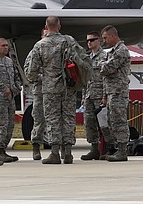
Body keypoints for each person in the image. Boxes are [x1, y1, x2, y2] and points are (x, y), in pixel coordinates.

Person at [25, 16, 89, 164]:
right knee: (68, 117)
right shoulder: (69, 41)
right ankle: (67, 153)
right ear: (59, 26)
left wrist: (44, 77)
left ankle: (54, 152)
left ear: (46, 27)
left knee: (52, 119)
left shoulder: (40, 45)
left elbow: (31, 72)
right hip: (69, 86)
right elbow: (83, 60)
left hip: (50, 89)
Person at [99, 25, 131, 162]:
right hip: (111, 92)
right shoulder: (112, 52)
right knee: (111, 121)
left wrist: (106, 67)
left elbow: (106, 67)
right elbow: (106, 71)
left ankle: (123, 151)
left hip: (119, 92)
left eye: (105, 38)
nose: (104, 41)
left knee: (119, 121)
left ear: (113, 36)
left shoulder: (121, 51)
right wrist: (105, 95)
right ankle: (117, 149)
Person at [80, 31, 106, 160]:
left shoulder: (104, 56)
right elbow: (86, 79)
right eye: (87, 41)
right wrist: (84, 97)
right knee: (89, 123)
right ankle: (94, 148)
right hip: (89, 95)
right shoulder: (88, 58)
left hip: (100, 94)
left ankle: (107, 148)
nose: (89, 43)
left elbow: (107, 78)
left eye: (92, 40)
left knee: (104, 123)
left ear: (99, 41)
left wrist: (105, 95)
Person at [23, 29, 49, 160]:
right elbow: (28, 72)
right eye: (46, 35)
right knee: (38, 120)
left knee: (56, 121)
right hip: (40, 92)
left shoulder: (60, 51)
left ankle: (58, 149)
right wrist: (45, 77)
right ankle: (36, 147)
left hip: (56, 92)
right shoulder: (34, 52)